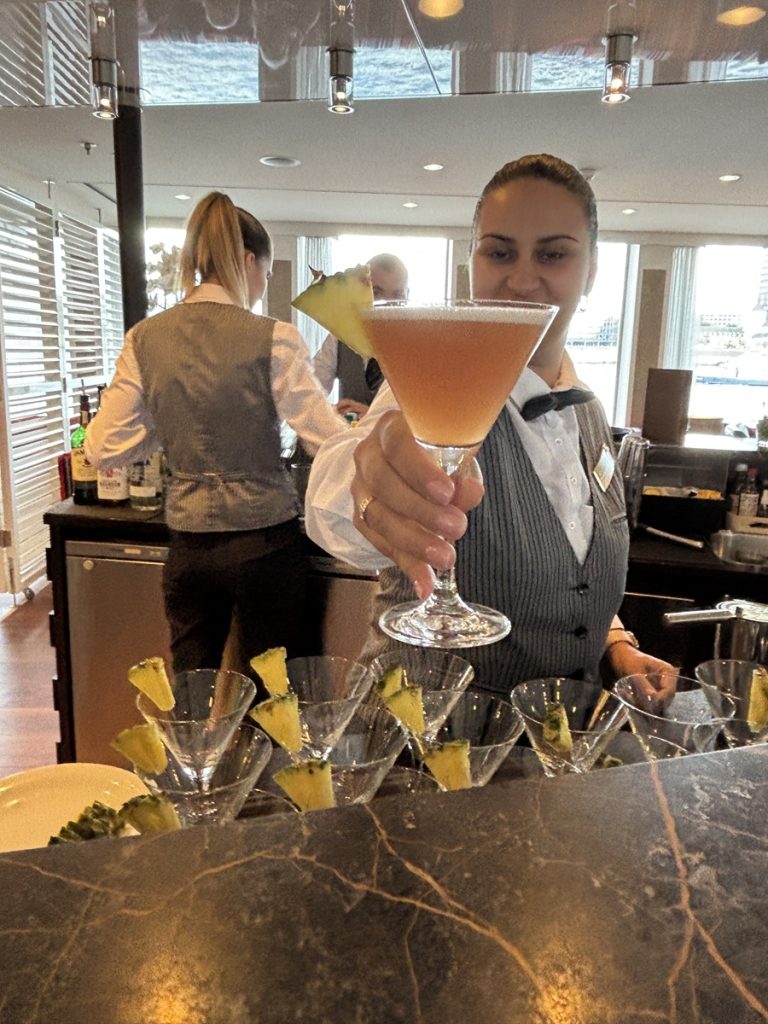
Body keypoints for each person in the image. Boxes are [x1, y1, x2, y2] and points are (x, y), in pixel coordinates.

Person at [305, 154, 676, 697]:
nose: (523, 279)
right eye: (500, 252)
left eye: (553, 254)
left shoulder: (588, 412)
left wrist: (615, 642)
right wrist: (367, 487)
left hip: (556, 747)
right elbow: (346, 479)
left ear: (591, 270)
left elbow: (576, 563)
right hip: (423, 748)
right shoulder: (435, 381)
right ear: (473, 261)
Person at [86, 191, 347, 675]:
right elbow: (324, 438)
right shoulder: (273, 335)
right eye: (266, 274)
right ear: (249, 261)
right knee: (270, 695)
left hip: (189, 547)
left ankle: (195, 754)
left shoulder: (144, 337)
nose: (262, 284)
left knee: (193, 691)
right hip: (265, 544)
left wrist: (169, 427)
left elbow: (104, 446)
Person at [312, 252, 409, 419]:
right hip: (351, 442)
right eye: (377, 292)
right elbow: (309, 392)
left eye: (398, 296)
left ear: (408, 296)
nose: (387, 304)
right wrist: (330, 414)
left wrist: (372, 417)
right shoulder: (339, 338)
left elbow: (431, 416)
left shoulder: (421, 347)